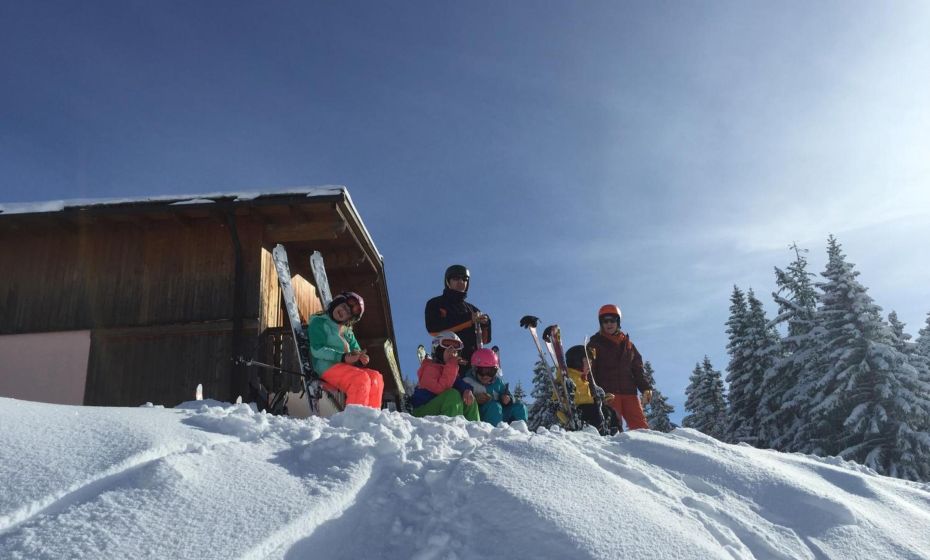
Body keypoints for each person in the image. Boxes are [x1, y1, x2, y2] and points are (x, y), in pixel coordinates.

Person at [308, 291, 384, 409]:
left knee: (376, 377)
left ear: (349, 319)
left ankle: (370, 416)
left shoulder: (347, 332)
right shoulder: (320, 322)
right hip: (325, 366)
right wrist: (342, 357)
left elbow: (356, 350)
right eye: (343, 306)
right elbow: (317, 350)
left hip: (344, 368)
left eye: (348, 313)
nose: (343, 311)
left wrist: (360, 357)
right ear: (336, 303)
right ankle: (354, 417)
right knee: (359, 379)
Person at [587, 304, 652, 430]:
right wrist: (597, 393)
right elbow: (590, 371)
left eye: (612, 320)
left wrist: (645, 388)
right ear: (601, 323)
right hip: (609, 393)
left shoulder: (628, 345)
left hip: (629, 392)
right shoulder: (595, 343)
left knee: (641, 428)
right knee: (613, 428)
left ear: (618, 322)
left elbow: (637, 369)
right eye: (605, 321)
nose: (609, 324)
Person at [424, 265, 491, 364]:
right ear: (448, 281)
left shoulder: (473, 310)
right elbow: (433, 328)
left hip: (472, 364)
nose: (461, 282)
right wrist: (469, 319)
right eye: (456, 278)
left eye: (465, 279)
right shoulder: (436, 303)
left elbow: (485, 340)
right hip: (446, 362)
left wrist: (486, 324)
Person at [409, 331, 479, 421]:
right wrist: (452, 365)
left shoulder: (450, 371)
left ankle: (474, 428)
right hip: (421, 411)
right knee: (452, 395)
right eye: (448, 348)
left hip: (439, 408)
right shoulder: (429, 368)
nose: (452, 352)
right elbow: (441, 390)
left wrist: (467, 390)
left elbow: (460, 384)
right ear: (438, 350)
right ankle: (450, 427)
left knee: (469, 399)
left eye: (455, 350)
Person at [564, 345, 622, 435]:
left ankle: (617, 433)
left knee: (609, 410)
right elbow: (565, 397)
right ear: (577, 362)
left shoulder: (583, 379)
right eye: (587, 362)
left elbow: (585, 397)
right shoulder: (569, 376)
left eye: (591, 362)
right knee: (594, 408)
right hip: (577, 412)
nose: (590, 365)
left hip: (585, 410)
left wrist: (601, 400)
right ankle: (600, 430)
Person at [463, 348, 527, 426]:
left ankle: (520, 430)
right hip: (479, 416)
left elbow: (508, 395)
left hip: (500, 414)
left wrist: (508, 399)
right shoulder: (468, 381)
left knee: (520, 407)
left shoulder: (498, 382)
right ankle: (494, 432)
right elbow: (462, 401)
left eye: (491, 372)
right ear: (475, 369)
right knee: (494, 406)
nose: (485, 376)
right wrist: (475, 399)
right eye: (482, 371)